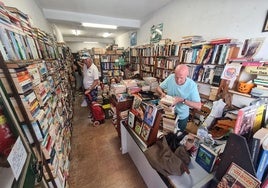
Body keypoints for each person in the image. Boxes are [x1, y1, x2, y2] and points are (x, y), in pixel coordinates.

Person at [156, 64, 202, 131]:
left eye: (181, 78)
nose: (178, 80)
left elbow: (198, 106)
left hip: (181, 117)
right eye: (176, 77)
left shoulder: (192, 85)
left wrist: (182, 100)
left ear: (187, 75)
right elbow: (158, 88)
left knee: (178, 137)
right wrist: (162, 93)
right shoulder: (171, 77)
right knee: (166, 134)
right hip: (168, 113)